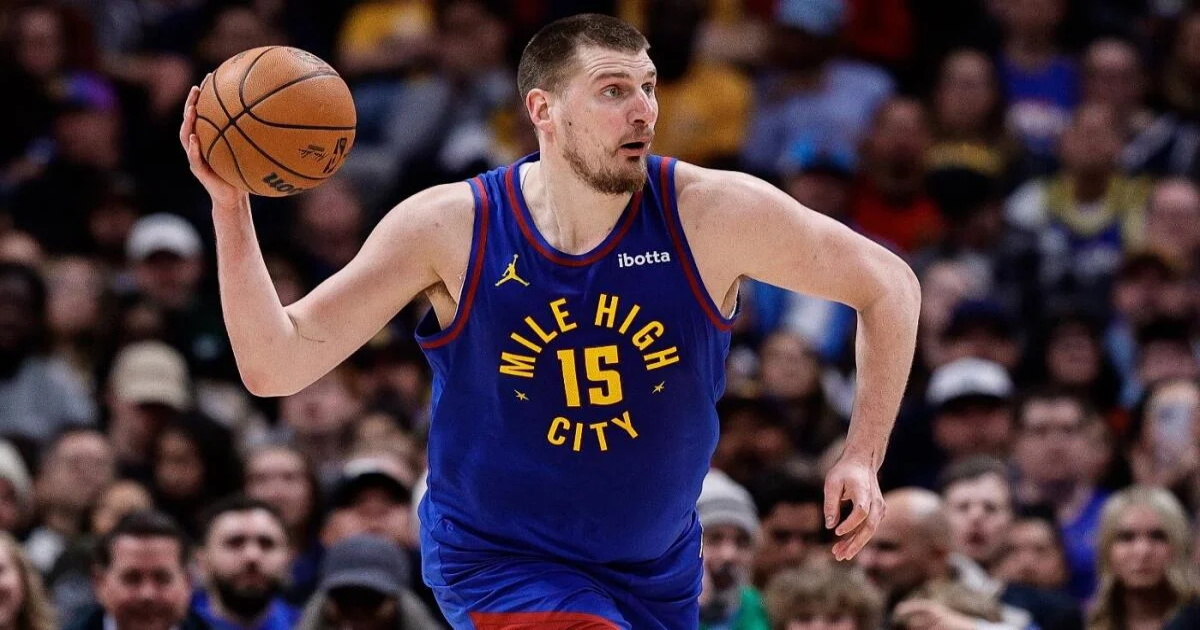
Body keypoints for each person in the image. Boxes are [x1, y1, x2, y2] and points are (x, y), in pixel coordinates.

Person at [179, 13, 920, 628]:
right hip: (500, 561)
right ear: (544, 111)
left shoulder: (711, 213)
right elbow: (275, 364)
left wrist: (862, 453)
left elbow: (888, 285)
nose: (643, 110)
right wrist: (231, 206)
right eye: (613, 91)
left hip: (657, 568)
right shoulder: (451, 227)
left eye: (649, 87)